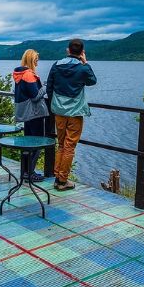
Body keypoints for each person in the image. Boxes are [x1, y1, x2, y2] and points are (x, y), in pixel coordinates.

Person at [45, 38, 97, 190]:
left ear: (68, 50)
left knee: (61, 144)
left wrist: (53, 104)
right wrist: (85, 62)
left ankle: (57, 177)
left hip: (59, 111)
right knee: (70, 146)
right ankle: (62, 180)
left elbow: (50, 87)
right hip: (75, 112)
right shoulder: (82, 68)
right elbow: (92, 81)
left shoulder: (56, 65)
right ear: (81, 52)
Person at [12, 48, 50, 181]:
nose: (38, 63)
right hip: (35, 114)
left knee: (28, 143)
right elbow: (35, 96)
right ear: (32, 60)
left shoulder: (19, 74)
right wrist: (46, 87)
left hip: (26, 114)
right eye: (36, 60)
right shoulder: (28, 74)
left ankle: (25, 172)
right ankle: (30, 172)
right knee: (37, 143)